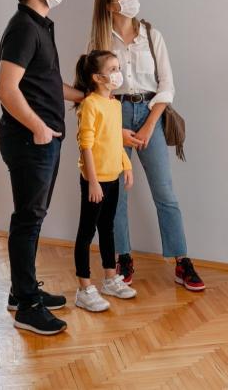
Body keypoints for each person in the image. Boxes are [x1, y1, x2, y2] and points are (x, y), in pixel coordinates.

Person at [87, 0, 205, 292]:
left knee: (164, 192)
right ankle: (123, 257)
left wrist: (151, 123)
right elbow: (95, 91)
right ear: (109, 5)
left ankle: (182, 260)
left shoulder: (151, 35)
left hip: (150, 112)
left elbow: (166, 86)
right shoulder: (100, 41)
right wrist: (116, 130)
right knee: (118, 196)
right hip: (114, 116)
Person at [0, 0, 85, 335]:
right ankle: (28, 308)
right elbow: (6, 89)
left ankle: (23, 291)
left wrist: (85, 96)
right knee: (28, 221)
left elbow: (46, 83)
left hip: (45, 139)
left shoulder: (41, 25)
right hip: (30, 141)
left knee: (33, 218)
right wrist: (38, 128)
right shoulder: (22, 28)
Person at [71, 51, 138, 312]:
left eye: (118, 67)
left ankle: (111, 278)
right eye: (113, 68)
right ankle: (84, 288)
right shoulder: (90, 105)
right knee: (86, 232)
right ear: (98, 77)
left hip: (114, 177)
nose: (118, 72)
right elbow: (85, 146)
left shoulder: (114, 104)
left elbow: (115, 141)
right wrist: (93, 182)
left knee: (107, 228)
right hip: (95, 181)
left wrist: (127, 166)